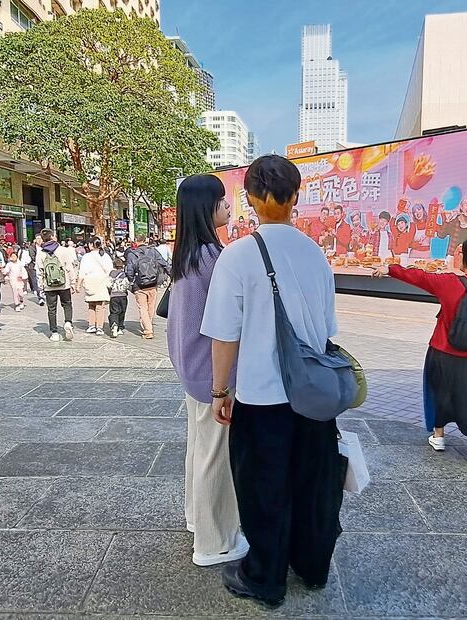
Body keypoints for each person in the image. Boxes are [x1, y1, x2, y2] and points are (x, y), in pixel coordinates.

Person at [201, 155, 345, 608]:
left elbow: (225, 335)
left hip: (262, 398)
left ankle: (264, 578)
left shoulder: (239, 255)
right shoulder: (315, 253)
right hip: (312, 396)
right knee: (311, 484)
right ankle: (311, 566)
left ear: (251, 199)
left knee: (263, 490)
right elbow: (325, 330)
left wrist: (221, 391)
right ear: (296, 197)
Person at [373, 238, 467, 464]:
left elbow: (419, 277)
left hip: (442, 350)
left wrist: (390, 269)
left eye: (461, 252)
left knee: (439, 392)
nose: (457, 255)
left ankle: (439, 436)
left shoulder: (450, 282)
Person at [168, 174, 249, 568]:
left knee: (201, 452)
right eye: (222, 200)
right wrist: (223, 387)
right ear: (207, 208)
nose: (229, 205)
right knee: (217, 459)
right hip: (214, 375)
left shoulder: (187, 254)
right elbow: (226, 326)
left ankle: (197, 521)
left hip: (192, 370)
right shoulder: (213, 258)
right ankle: (214, 542)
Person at [126, 234, 170, 340]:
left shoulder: (132, 254)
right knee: (150, 307)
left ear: (136, 242)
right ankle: (148, 325)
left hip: (139, 285)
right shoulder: (153, 251)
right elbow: (164, 264)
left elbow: (130, 270)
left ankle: (148, 330)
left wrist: (131, 280)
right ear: (145, 240)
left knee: (143, 308)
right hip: (153, 284)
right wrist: (172, 276)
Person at [36, 229, 77, 342]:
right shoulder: (63, 250)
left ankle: (54, 332)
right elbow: (70, 268)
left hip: (49, 286)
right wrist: (73, 282)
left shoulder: (40, 253)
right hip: (64, 284)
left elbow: (39, 272)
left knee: (51, 309)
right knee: (67, 304)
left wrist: (41, 287)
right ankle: (68, 322)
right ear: (53, 237)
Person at [78, 239, 113, 335]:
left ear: (91, 245)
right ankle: (99, 327)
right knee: (100, 306)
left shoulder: (86, 257)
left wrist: (78, 285)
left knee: (91, 305)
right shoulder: (105, 256)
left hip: (90, 282)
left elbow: (82, 272)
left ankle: (92, 325)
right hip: (102, 282)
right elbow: (110, 271)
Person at [107, 257, 130, 338]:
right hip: (123, 295)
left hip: (114, 296)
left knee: (114, 311)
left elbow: (108, 284)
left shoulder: (111, 273)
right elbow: (127, 284)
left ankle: (114, 324)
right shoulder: (124, 274)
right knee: (122, 311)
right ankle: (120, 326)